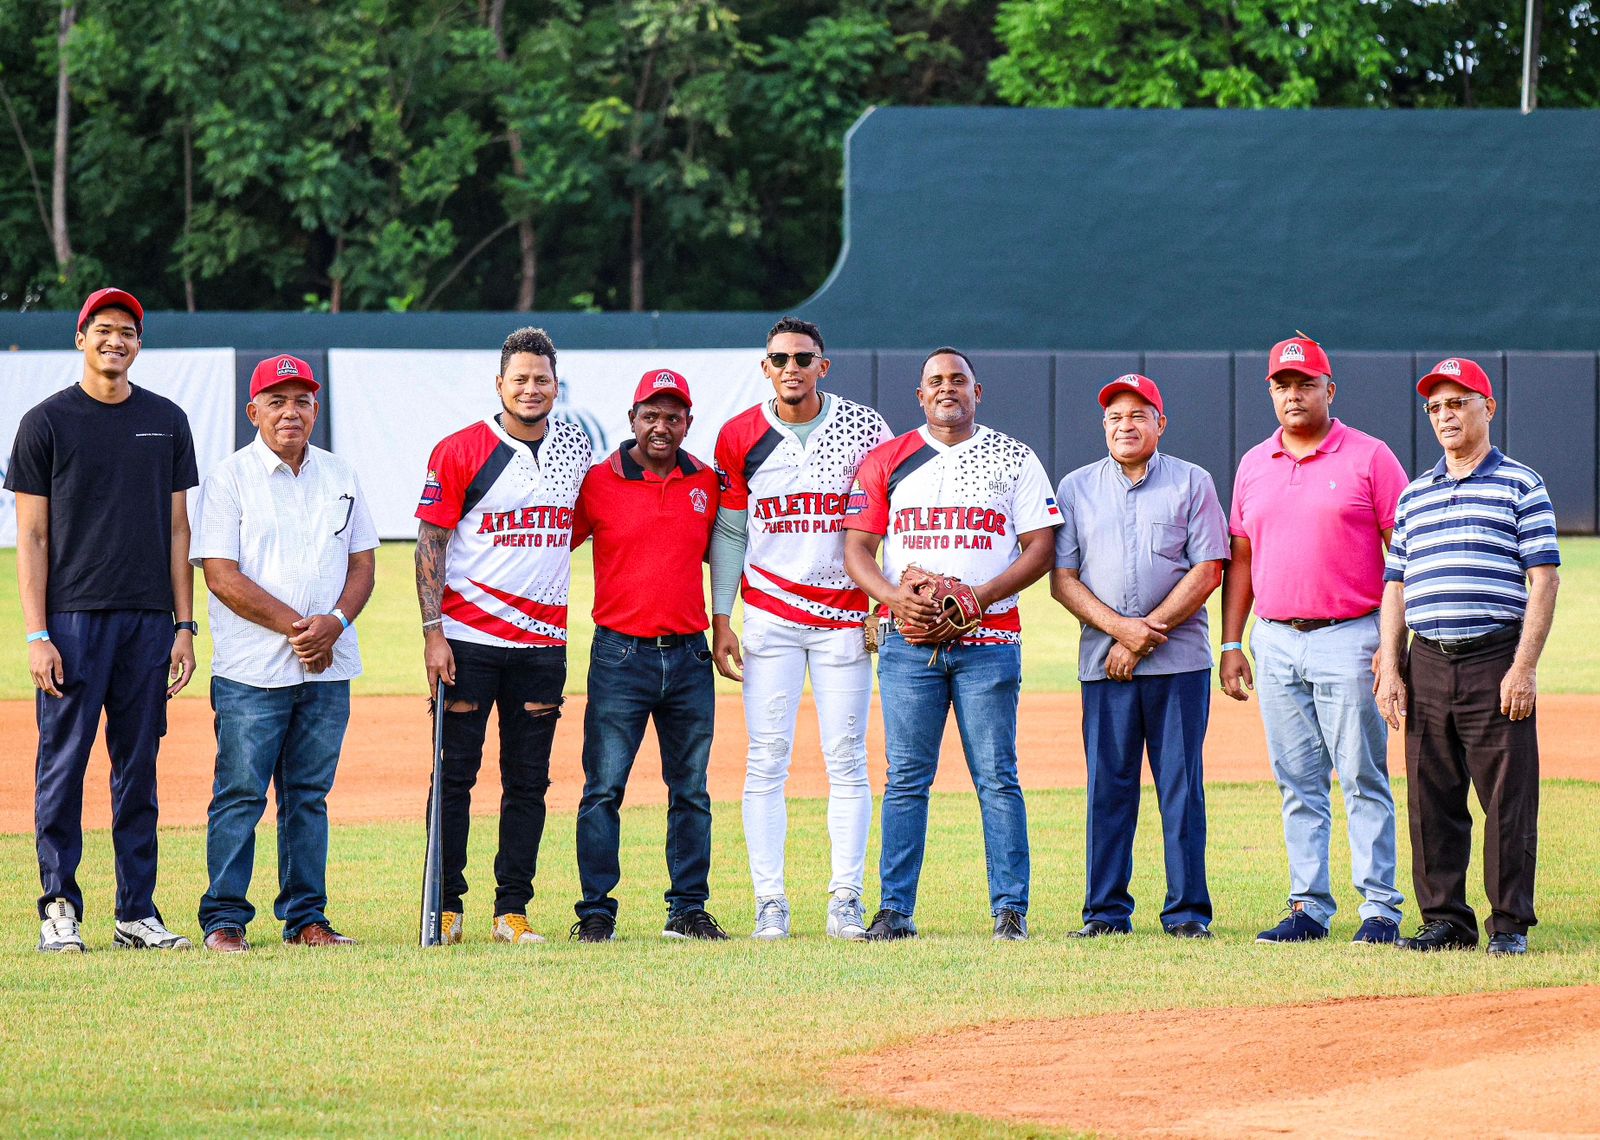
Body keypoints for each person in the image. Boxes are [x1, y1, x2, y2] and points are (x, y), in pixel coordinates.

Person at [843, 347, 1060, 942]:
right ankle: (894, 910)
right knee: (907, 776)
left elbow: (1040, 546)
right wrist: (893, 597)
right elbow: (857, 548)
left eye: (957, 380)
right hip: (909, 643)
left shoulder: (1013, 457)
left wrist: (980, 596)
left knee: (996, 776)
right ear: (919, 396)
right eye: (935, 382)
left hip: (989, 640)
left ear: (977, 391)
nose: (947, 389)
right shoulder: (888, 458)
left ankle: (1010, 910)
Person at [6, 288, 198, 954]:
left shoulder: (166, 421)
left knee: (137, 768)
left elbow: (178, 529)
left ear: (138, 345)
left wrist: (184, 625)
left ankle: (135, 912)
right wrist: (37, 634)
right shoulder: (45, 423)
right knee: (61, 767)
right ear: (81, 338)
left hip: (148, 622)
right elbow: (31, 538)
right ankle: (59, 907)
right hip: (72, 621)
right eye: (103, 330)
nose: (116, 340)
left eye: (128, 332)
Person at [1220, 334, 1410, 945]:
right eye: (1283, 385)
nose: (1294, 394)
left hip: (1349, 636)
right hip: (1274, 640)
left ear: (1330, 389)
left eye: (1306, 384)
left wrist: (1390, 642)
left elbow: (1402, 556)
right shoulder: (1254, 463)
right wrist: (1232, 643)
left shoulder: (1370, 456)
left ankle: (1379, 909)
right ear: (1271, 393)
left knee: (1361, 776)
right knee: (1297, 782)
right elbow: (1242, 560)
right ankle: (1308, 907)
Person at [710, 316, 891, 940]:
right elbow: (731, 531)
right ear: (766, 367)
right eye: (780, 359)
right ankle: (771, 902)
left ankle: (845, 898)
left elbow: (882, 525)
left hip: (843, 616)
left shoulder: (867, 429)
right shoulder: (738, 435)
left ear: (824, 365)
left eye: (803, 358)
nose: (792, 368)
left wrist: (883, 603)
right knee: (766, 760)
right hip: (769, 617)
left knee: (847, 759)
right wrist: (721, 614)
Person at [190, 355, 378, 953]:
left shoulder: (340, 474)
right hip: (252, 671)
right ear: (254, 412)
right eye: (276, 401)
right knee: (240, 794)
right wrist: (304, 630)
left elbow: (363, 564)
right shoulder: (229, 478)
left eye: (301, 401)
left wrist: (338, 621)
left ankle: (306, 918)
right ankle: (224, 919)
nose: (290, 411)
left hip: (329, 670)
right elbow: (220, 574)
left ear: (316, 411)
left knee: (307, 796)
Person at [1375, 358, 1560, 956]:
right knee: (1432, 800)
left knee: (1507, 798)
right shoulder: (1413, 495)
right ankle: (1445, 922)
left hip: (1494, 658)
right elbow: (1396, 586)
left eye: (1458, 403)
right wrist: (1389, 663)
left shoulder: (1522, 484)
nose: (1445, 416)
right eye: (1435, 407)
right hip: (1425, 660)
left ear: (1489, 408)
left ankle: (1507, 925)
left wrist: (1524, 666)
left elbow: (1545, 579)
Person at [414, 327, 591, 945]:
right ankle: (444, 905)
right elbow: (430, 543)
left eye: (542, 379)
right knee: (455, 776)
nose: (532, 389)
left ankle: (511, 910)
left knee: (528, 781)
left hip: (542, 644)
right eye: (520, 379)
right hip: (467, 641)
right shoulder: (461, 449)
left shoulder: (574, 449)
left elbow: (579, 528)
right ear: (500, 385)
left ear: (555, 385)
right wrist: (434, 634)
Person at [1051, 375, 1226, 940]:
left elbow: (1207, 570)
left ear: (1160, 423)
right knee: (1108, 787)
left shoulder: (1192, 481)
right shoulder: (1076, 487)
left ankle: (1187, 914)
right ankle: (1104, 913)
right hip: (1104, 665)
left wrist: (1145, 634)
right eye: (1114, 418)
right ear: (1104, 426)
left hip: (1179, 665)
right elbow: (1063, 580)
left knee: (1180, 786)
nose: (1125, 426)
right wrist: (1121, 634)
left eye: (1137, 415)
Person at [568, 369, 727, 943]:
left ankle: (687, 909)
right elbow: (548, 547)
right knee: (604, 788)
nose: (661, 427)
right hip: (619, 656)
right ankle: (595, 912)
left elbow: (729, 558)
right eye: (650, 415)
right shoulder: (598, 482)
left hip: (688, 656)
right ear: (632, 418)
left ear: (688, 422)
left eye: (673, 416)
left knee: (691, 790)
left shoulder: (706, 483)